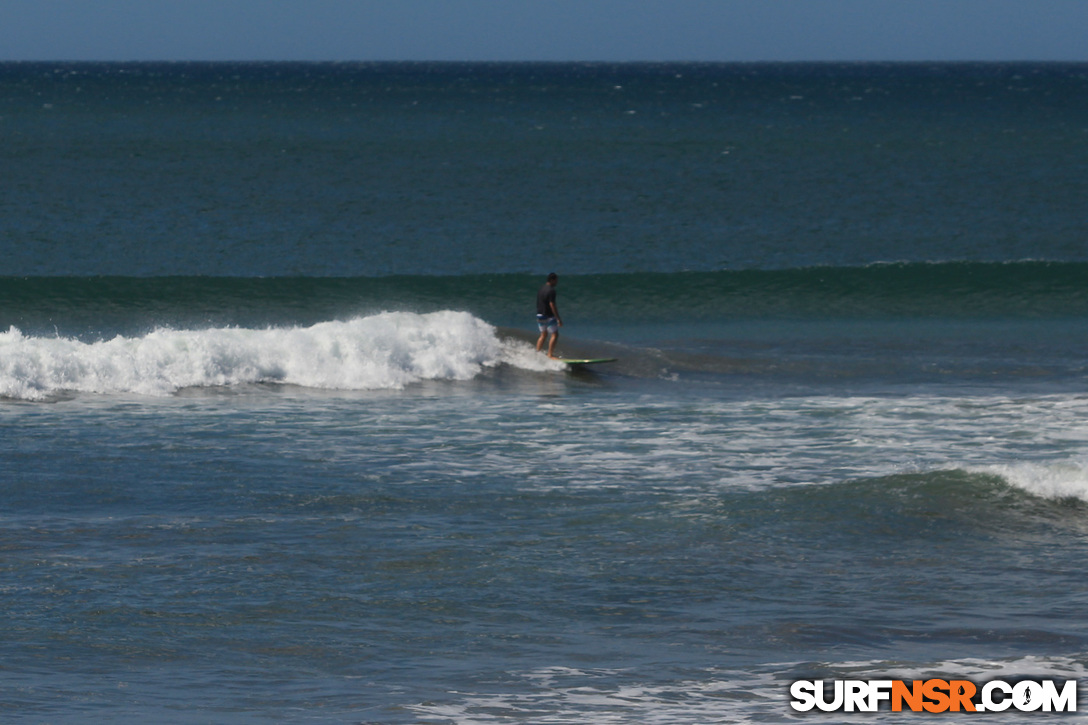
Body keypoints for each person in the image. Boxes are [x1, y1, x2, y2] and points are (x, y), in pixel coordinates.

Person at [535, 272, 563, 358]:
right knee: (555, 334)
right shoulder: (551, 290)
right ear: (552, 280)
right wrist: (558, 318)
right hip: (548, 316)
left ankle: (537, 353)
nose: (557, 282)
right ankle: (550, 355)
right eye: (556, 280)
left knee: (543, 335)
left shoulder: (541, 288)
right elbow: (552, 304)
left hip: (539, 315)